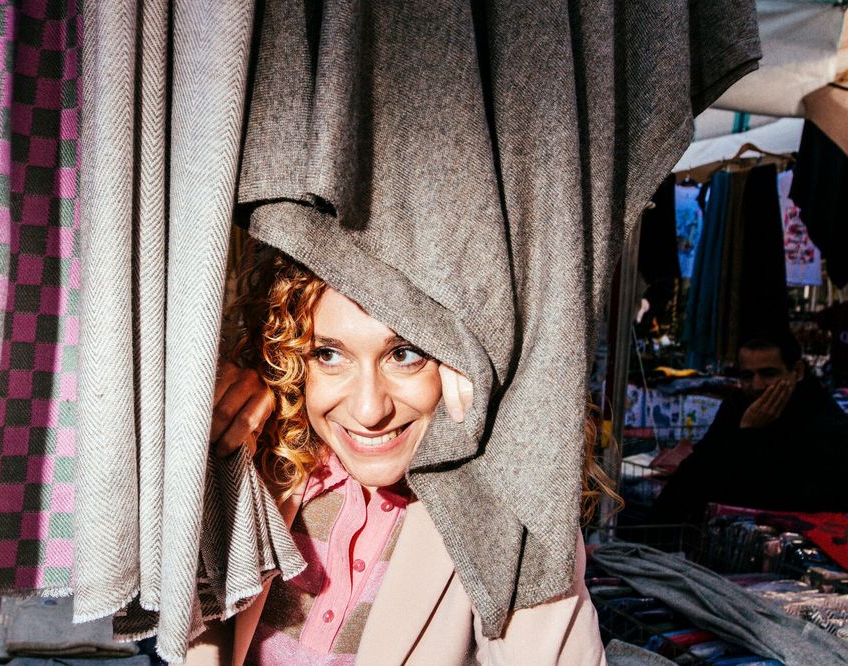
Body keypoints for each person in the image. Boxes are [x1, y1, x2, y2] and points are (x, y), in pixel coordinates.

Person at [187, 248, 609, 664]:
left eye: (404, 354)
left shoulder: (491, 504)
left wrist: (505, 466)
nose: (370, 411)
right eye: (329, 355)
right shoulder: (262, 468)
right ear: (292, 358)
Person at [651, 331, 848, 524]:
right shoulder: (737, 405)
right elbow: (693, 474)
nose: (756, 385)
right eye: (747, 376)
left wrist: (749, 437)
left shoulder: (826, 424)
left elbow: (780, 496)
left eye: (768, 374)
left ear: (797, 372)